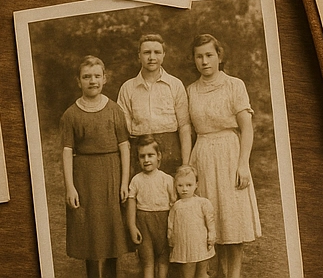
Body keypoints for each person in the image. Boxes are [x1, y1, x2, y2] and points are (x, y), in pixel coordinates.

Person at [187, 34, 260, 278]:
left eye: (209, 55)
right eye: (199, 56)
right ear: (194, 60)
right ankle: (215, 273)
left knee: (232, 218)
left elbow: (246, 128)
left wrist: (243, 164)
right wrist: (188, 168)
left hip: (230, 154)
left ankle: (234, 275)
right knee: (210, 218)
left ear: (219, 56)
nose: (204, 61)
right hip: (203, 156)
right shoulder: (190, 90)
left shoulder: (234, 85)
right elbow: (188, 130)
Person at [61, 56, 131, 278]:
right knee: (89, 230)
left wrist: (124, 182)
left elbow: (125, 146)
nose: (92, 81)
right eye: (86, 77)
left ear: (105, 78)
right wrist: (70, 187)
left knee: (112, 228)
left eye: (97, 76)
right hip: (85, 177)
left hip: (111, 172)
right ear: (78, 81)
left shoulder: (114, 110)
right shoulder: (70, 115)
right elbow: (66, 151)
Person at [116, 33, 192, 176]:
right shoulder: (128, 88)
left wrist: (186, 164)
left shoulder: (175, 85)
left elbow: (184, 126)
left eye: (157, 52)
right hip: (140, 152)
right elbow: (123, 131)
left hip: (170, 151)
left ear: (163, 55)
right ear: (139, 55)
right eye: (146, 52)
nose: (152, 57)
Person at [127, 136, 176, 278]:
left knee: (163, 259)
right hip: (144, 223)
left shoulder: (166, 179)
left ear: (158, 156)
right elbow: (131, 203)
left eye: (150, 155)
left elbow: (174, 205)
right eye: (142, 156)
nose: (146, 160)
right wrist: (132, 226)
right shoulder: (136, 180)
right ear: (138, 159)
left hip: (163, 222)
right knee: (147, 260)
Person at [168, 165, 215, 278]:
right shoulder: (176, 206)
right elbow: (171, 225)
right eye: (180, 185)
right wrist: (171, 241)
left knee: (202, 273)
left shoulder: (202, 203)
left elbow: (210, 221)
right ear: (176, 186)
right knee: (187, 274)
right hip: (184, 246)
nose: (184, 189)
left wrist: (211, 235)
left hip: (201, 244)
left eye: (189, 185)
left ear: (196, 185)